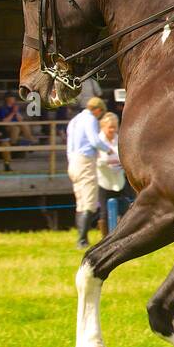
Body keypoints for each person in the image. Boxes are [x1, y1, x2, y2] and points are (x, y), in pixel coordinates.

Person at [67, 97, 107, 248]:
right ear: (97, 110)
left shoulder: (74, 120)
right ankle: (82, 240)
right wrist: (109, 149)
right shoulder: (90, 119)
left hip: (73, 161)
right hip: (85, 160)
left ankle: (81, 238)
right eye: (100, 114)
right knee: (89, 202)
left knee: (81, 202)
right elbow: (94, 141)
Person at [96, 111, 134, 233]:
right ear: (103, 127)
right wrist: (107, 162)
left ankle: (122, 233)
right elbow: (96, 161)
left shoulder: (119, 139)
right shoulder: (98, 141)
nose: (112, 130)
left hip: (119, 179)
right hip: (104, 180)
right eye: (110, 127)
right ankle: (105, 236)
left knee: (125, 207)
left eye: (114, 127)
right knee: (104, 211)